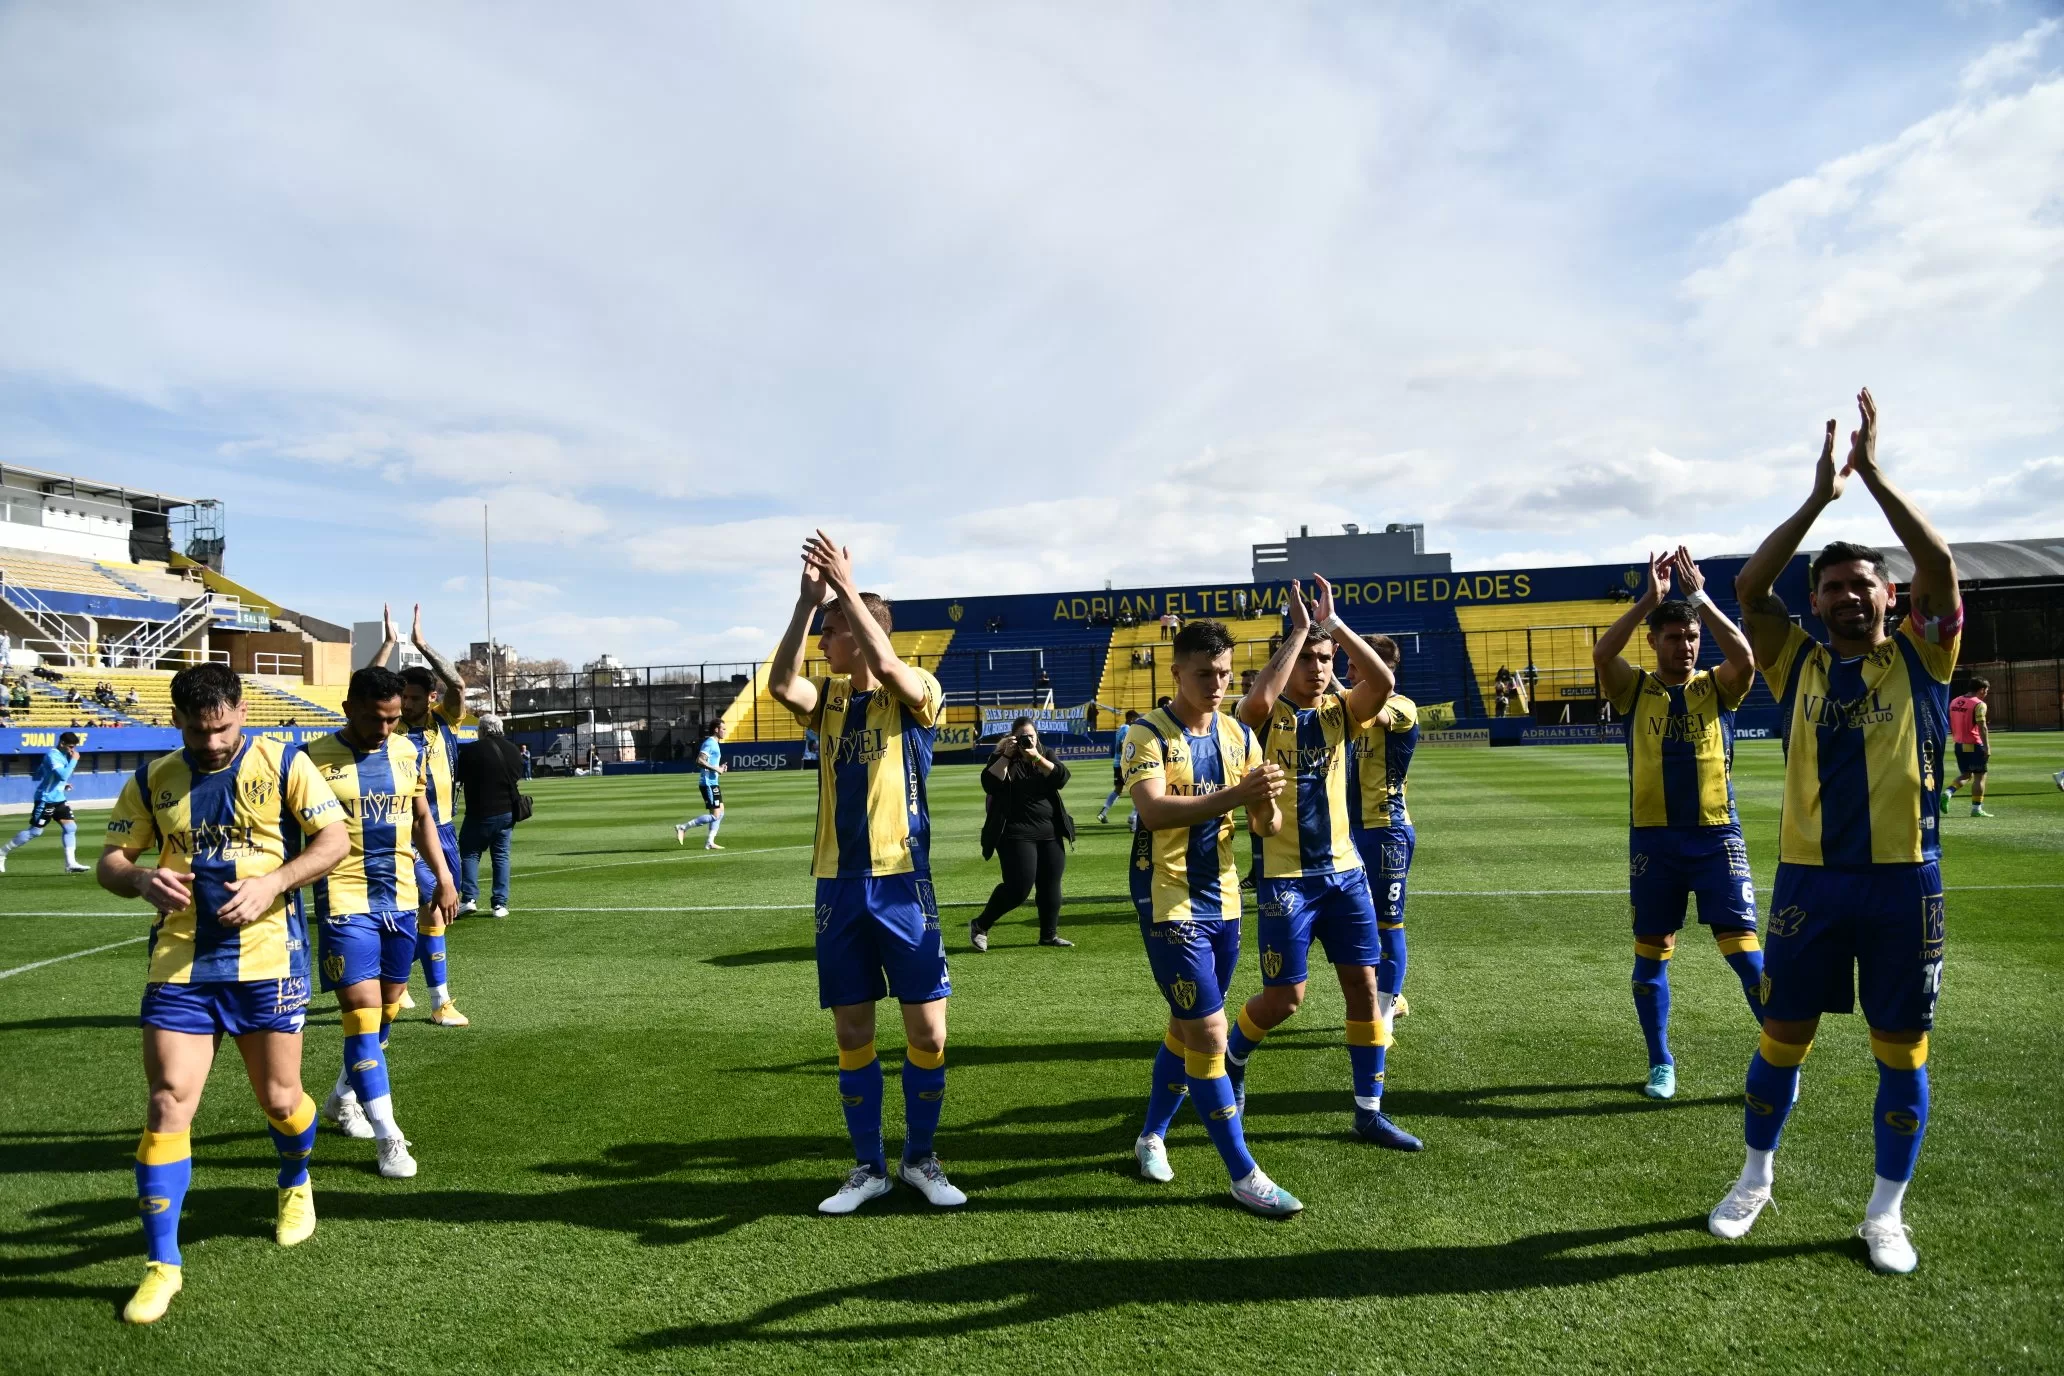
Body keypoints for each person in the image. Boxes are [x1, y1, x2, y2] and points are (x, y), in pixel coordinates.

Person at [1711, 389, 1960, 1275]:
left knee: (1902, 1052)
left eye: (1862, 585)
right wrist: (1820, 497)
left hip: (1904, 885)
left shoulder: (1926, 658)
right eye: (1831, 587)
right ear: (1814, 604)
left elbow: (1940, 566)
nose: (1848, 596)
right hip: (1810, 887)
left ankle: (1884, 1215)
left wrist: (1876, 475)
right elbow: (1745, 588)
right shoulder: (1797, 663)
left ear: (1888, 598)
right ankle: (1755, 1178)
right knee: (1782, 1036)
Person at [95, 663, 349, 1324]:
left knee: (280, 1099)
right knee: (167, 1100)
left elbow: (333, 841)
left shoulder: (286, 761)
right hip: (181, 962)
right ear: (175, 720)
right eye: (197, 730)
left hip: (268, 959)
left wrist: (274, 884)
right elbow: (111, 861)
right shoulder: (153, 780)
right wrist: (142, 881)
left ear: (240, 709)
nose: (211, 742)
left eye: (223, 727)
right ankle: (162, 1265)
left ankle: (295, 1180)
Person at [767, 531, 964, 1216]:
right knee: (853, 1032)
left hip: (904, 883)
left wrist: (847, 593)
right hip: (838, 885)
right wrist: (804, 604)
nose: (823, 643)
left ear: (857, 633)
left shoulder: (919, 692)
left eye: (830, 633)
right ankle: (868, 1167)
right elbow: (778, 682)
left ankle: (921, 1158)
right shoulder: (824, 701)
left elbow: (890, 663)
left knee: (928, 1033)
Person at [1228, 577, 1419, 1150]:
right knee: (1286, 999)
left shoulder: (1341, 712)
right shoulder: (1266, 717)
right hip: (1287, 879)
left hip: (1345, 874)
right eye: (1308, 659)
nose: (1317, 668)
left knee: (1364, 990)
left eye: (1325, 659)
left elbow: (1381, 683)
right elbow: (1253, 703)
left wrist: (1333, 627)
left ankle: (1368, 1112)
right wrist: (1299, 633)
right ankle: (1234, 1059)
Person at [1124, 619, 1297, 1213]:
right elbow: (1153, 812)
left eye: (1225, 674)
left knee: (1187, 1025)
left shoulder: (1238, 734)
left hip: (1222, 898)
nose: (1217, 685)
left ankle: (1150, 1134)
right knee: (1211, 1033)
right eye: (1204, 674)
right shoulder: (1146, 734)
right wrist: (1238, 794)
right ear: (1175, 672)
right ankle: (1243, 1172)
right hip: (1166, 897)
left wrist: (1267, 795)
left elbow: (1265, 827)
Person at [1592, 547, 1763, 1100]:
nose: (1684, 646)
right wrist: (1652, 599)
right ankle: (1660, 1062)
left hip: (1716, 835)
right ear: (1654, 641)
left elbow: (1745, 657)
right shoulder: (1633, 688)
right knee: (1650, 953)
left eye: (1690, 638)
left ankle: (1778, 1056)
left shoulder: (1717, 686)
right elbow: (1602, 651)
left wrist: (1697, 599)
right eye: (1673, 637)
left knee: (1745, 954)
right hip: (1655, 841)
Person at [307, 666, 458, 1179]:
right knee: (364, 1016)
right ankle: (390, 1137)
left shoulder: (405, 751)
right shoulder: (310, 759)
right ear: (348, 709)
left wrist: (443, 876)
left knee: (388, 1009)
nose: (386, 729)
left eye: (394, 719)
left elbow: (422, 819)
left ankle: (342, 1098)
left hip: (400, 898)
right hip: (344, 902)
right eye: (376, 719)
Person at [374, 604, 470, 1027]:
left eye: (414, 697)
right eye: (403, 698)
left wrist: (421, 644)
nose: (407, 704)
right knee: (434, 906)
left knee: (439, 914)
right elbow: (367, 689)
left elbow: (458, 682)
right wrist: (388, 646)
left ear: (430, 698)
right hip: (407, 833)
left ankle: (391, 979)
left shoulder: (447, 720)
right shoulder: (389, 728)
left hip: (445, 831)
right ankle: (441, 1002)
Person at [1344, 636, 1417, 1042]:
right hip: (1354, 831)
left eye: (1355, 666)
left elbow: (1375, 711)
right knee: (1363, 925)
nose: (1349, 673)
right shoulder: (1355, 708)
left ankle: (1384, 1016)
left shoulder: (1401, 706)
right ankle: (1392, 997)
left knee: (1389, 924)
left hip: (1387, 830)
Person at [969, 717, 1075, 950]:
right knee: (1018, 888)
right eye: (1023, 737)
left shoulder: (1045, 753)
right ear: (1012, 738)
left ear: (1037, 737)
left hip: (1049, 830)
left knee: (1050, 885)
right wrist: (1007, 755)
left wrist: (1036, 757)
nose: (1028, 741)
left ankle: (1049, 935)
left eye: (1032, 737)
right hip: (1015, 832)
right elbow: (989, 783)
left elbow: (1062, 777)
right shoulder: (1002, 757)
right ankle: (980, 925)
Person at [455, 715, 524, 918]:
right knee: (501, 856)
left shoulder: (472, 750)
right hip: (506, 811)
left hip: (479, 811)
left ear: (483, 730)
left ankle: (469, 898)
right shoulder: (513, 750)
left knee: (470, 852)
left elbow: (459, 776)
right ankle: (499, 904)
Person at [0, 730, 89, 874]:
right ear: (62, 743)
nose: (73, 750)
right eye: (71, 747)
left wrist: (63, 785)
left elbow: (50, 775)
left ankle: (70, 864)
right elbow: (62, 775)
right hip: (46, 799)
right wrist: (74, 760)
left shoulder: (63, 755)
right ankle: (2, 853)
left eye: (74, 747)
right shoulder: (53, 755)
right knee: (35, 832)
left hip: (58, 798)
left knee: (71, 828)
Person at [675, 720, 729, 849]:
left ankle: (710, 841)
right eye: (723, 729)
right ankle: (683, 827)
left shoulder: (715, 743)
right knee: (715, 815)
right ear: (716, 729)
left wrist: (719, 767)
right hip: (708, 783)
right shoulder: (710, 743)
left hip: (713, 782)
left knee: (720, 812)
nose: (725, 731)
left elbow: (709, 763)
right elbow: (699, 761)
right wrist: (716, 769)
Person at [1943, 678, 1992, 817]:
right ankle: (1976, 810)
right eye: (1986, 691)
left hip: (1959, 744)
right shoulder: (1979, 704)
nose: (1986, 694)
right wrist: (1987, 747)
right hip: (1974, 744)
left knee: (1966, 774)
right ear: (1981, 689)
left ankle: (1948, 792)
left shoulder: (1954, 701)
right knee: (1980, 777)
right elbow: (1982, 726)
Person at [1098, 709, 1141, 824]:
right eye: (1136, 720)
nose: (1136, 723)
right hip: (1125, 764)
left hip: (1116, 763)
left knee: (1118, 789)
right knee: (1138, 791)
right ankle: (1133, 817)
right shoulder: (1128, 729)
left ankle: (1103, 812)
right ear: (1131, 719)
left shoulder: (1120, 729)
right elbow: (1124, 744)